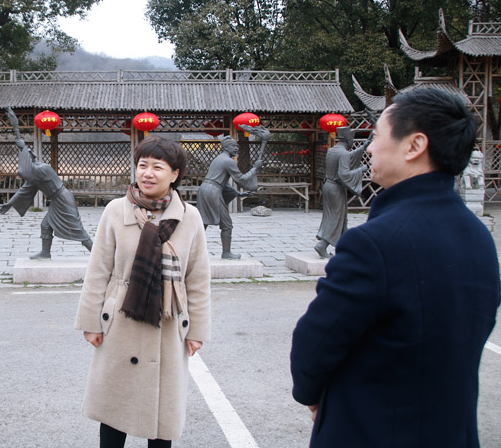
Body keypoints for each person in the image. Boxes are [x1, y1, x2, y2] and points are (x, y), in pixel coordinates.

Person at [290, 88, 501, 447]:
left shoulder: (374, 243)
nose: (369, 147)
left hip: (371, 430)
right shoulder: (480, 238)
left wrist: (313, 393)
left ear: (414, 145)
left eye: (375, 136)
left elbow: (313, 347)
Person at [75, 136, 211, 447]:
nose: (147, 173)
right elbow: (98, 271)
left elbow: (198, 279)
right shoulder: (115, 210)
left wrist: (197, 330)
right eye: (142, 165)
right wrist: (91, 322)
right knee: (114, 410)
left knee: (161, 416)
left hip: (168, 322)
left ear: (174, 174)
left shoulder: (189, 218)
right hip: (120, 320)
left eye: (157, 167)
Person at [0, 135, 93, 259]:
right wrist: (9, 203)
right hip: (56, 200)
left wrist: (23, 148)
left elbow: (25, 172)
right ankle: (45, 253)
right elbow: (24, 189)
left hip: (63, 199)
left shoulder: (43, 169)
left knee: (77, 229)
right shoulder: (34, 175)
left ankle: (98, 254)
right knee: (46, 225)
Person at [196, 128, 268, 259]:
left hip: (205, 189)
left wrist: (237, 194)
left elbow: (220, 181)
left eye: (237, 146)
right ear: (226, 147)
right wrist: (255, 168)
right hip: (212, 192)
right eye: (234, 146)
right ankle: (226, 252)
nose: (236, 149)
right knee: (227, 224)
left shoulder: (219, 159)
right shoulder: (228, 161)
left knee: (203, 222)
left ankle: (192, 251)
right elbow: (241, 179)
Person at [313, 126, 370, 258]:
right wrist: (361, 170)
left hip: (328, 185)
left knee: (340, 217)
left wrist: (365, 144)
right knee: (336, 217)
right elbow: (344, 174)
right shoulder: (343, 153)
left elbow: (350, 157)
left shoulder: (332, 150)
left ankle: (344, 247)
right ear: (348, 138)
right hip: (336, 188)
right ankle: (322, 245)